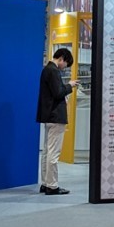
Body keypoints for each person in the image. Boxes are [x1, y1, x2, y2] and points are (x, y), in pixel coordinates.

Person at [36, 47, 77, 195]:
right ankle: (52, 185)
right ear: (62, 58)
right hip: (56, 116)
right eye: (66, 64)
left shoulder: (46, 70)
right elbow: (58, 92)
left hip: (48, 116)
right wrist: (70, 85)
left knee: (47, 151)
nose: (65, 67)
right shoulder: (53, 71)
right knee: (53, 152)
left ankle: (45, 183)